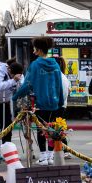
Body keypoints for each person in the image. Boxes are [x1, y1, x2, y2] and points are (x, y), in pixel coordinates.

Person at [12, 36, 65, 166]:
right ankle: (51, 156)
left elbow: (28, 84)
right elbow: (59, 84)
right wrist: (60, 101)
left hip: (40, 103)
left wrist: (15, 96)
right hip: (54, 102)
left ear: (39, 49)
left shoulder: (35, 65)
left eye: (35, 48)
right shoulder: (56, 65)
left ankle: (43, 156)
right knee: (52, 129)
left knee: (40, 129)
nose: (34, 50)